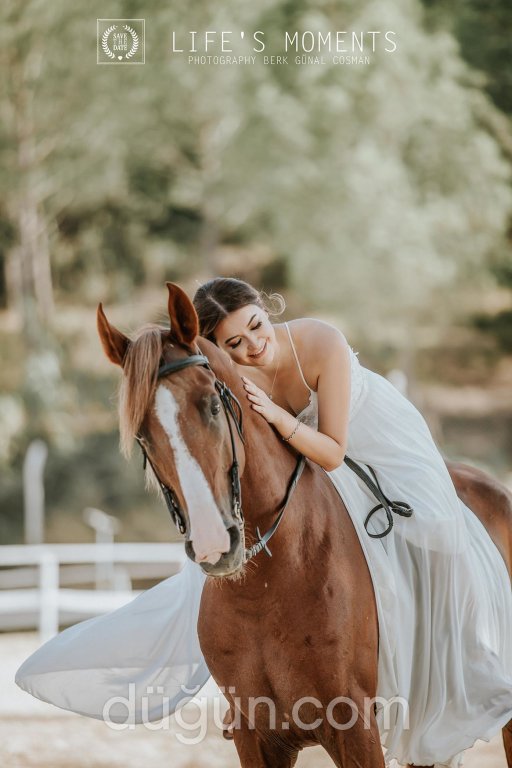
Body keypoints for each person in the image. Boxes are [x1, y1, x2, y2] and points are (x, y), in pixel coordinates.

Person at [15, 277, 512, 768]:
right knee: (213, 563)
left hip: (370, 440)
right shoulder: (227, 378)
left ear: (265, 309)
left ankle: (460, 668)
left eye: (256, 326)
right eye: (235, 343)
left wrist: (276, 415)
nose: (253, 345)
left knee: (435, 533)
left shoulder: (319, 342)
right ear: (219, 349)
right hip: (300, 456)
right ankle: (248, 692)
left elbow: (335, 452)